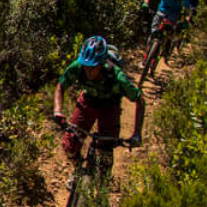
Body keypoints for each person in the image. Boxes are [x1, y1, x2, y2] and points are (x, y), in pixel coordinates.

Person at [53, 35, 145, 163]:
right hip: (88, 101)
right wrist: (57, 110)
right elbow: (61, 86)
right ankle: (78, 172)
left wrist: (137, 133)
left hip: (109, 106)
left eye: (92, 67)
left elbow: (139, 100)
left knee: (105, 152)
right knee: (70, 145)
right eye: (86, 67)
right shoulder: (79, 66)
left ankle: (102, 178)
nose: (88, 71)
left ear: (101, 64)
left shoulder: (117, 77)